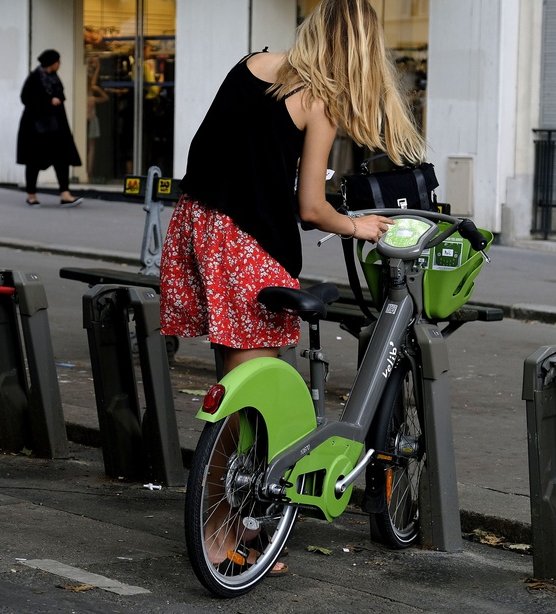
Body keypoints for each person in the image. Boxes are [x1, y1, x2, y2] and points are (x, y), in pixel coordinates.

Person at [158, 0, 426, 575]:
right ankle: (234, 537)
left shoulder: (250, 64)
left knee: (238, 388)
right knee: (256, 401)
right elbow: (311, 207)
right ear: (357, 48)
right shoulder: (319, 100)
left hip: (197, 228)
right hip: (247, 243)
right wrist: (359, 225)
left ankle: (232, 526)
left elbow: (211, 152)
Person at [16, 49, 83, 207]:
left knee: (62, 158)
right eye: (58, 62)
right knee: (34, 161)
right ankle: (31, 195)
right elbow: (26, 98)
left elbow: (60, 94)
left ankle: (65, 194)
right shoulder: (34, 78)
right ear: (52, 63)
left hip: (56, 127)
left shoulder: (54, 78)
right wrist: (48, 101)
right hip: (36, 129)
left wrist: (57, 99)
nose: (59, 65)